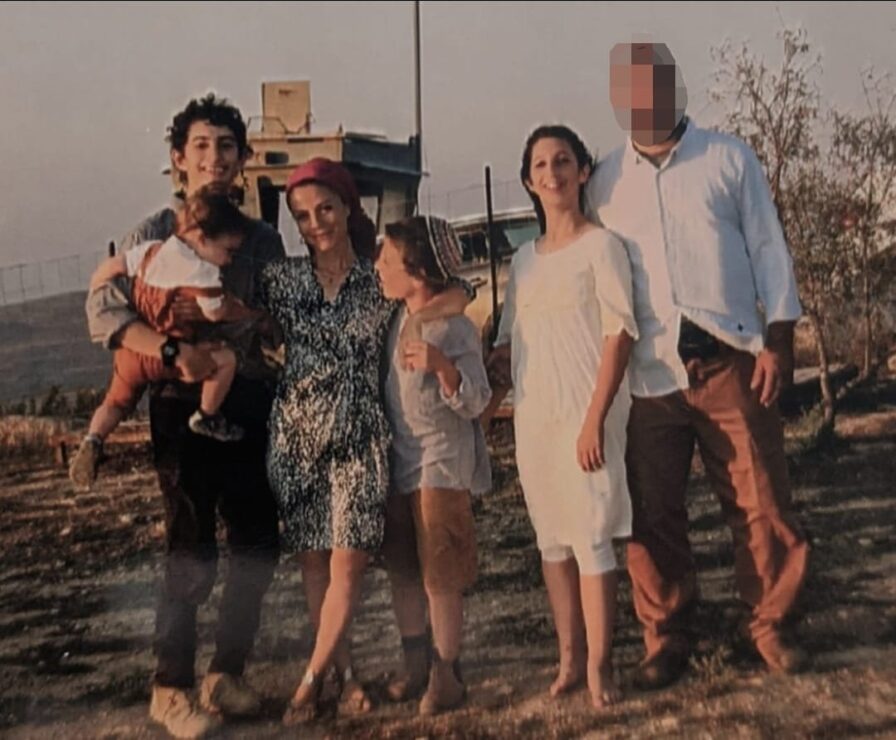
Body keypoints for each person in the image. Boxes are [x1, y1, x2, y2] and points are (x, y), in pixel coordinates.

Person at [586, 41, 809, 689]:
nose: (643, 101)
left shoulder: (728, 158)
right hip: (649, 375)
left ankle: (770, 624)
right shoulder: (605, 180)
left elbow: (769, 250)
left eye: (653, 87)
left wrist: (779, 340)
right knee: (652, 513)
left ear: (673, 88)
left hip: (729, 360)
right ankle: (666, 636)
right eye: (629, 91)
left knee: (761, 500)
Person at [85, 93, 284, 739]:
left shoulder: (261, 239)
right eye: (201, 146)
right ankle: (170, 689)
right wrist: (175, 352)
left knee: (257, 540)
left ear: (242, 158)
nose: (214, 159)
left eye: (226, 146)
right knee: (191, 542)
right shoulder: (153, 231)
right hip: (178, 401)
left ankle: (227, 674)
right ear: (178, 158)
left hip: (248, 400)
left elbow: (279, 317)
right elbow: (106, 312)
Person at [260, 158, 472, 724]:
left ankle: (308, 683)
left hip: (360, 437)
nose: (315, 224)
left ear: (347, 206)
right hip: (298, 439)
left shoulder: (378, 279)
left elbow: (455, 289)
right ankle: (344, 675)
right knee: (315, 566)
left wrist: (428, 324)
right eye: (302, 216)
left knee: (348, 567)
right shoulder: (281, 281)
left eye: (325, 209)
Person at [487, 125, 638, 708]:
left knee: (592, 536)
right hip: (537, 421)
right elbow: (509, 344)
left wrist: (595, 419)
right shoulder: (523, 260)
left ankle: (602, 665)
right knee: (552, 541)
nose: (552, 174)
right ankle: (570, 660)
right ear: (529, 181)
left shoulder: (603, 247)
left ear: (582, 171)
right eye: (541, 165)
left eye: (563, 161)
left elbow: (619, 334)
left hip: (587, 415)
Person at [70, 187, 266, 489]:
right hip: (173, 356)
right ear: (203, 239)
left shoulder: (152, 250)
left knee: (116, 400)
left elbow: (115, 266)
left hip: (134, 350)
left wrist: (98, 279)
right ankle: (207, 415)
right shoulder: (204, 275)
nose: (228, 260)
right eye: (227, 250)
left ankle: (94, 438)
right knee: (225, 359)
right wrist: (246, 312)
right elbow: (217, 313)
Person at [374, 215, 492, 715]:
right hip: (400, 465)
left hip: (440, 467)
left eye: (387, 260)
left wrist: (443, 367)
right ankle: (416, 662)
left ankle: (447, 673)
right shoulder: (396, 320)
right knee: (404, 569)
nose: (378, 267)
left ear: (418, 271)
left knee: (440, 575)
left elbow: (477, 401)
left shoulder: (455, 329)